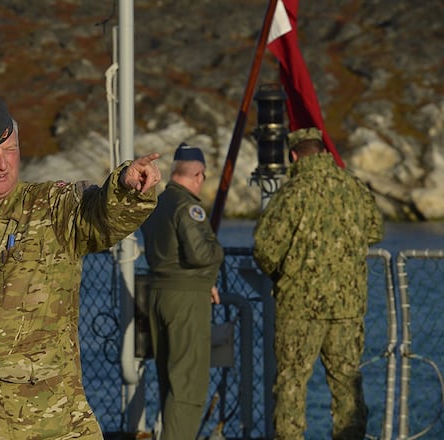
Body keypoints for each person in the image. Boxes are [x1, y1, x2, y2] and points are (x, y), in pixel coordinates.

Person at [0, 92, 160, 439]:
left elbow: (100, 215)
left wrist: (126, 190)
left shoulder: (50, 209)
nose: (3, 163)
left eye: (10, 149)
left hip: (50, 430)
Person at [253, 127, 384, 440]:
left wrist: (282, 274)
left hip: (299, 307)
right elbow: (375, 231)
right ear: (324, 152)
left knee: (292, 381)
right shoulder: (353, 187)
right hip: (347, 306)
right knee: (346, 381)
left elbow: (265, 249)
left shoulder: (291, 193)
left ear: (293, 156)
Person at [140, 143, 224, 440]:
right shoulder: (189, 208)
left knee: (170, 382)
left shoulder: (158, 203)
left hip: (159, 295)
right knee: (188, 386)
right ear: (198, 175)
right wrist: (218, 250)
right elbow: (200, 254)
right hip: (186, 300)